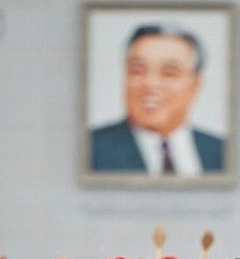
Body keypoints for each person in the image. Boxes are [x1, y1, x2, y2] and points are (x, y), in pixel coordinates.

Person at [91, 24, 224, 174]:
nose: (151, 84)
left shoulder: (222, 152)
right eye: (137, 71)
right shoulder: (89, 148)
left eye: (169, 73)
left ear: (195, 86)